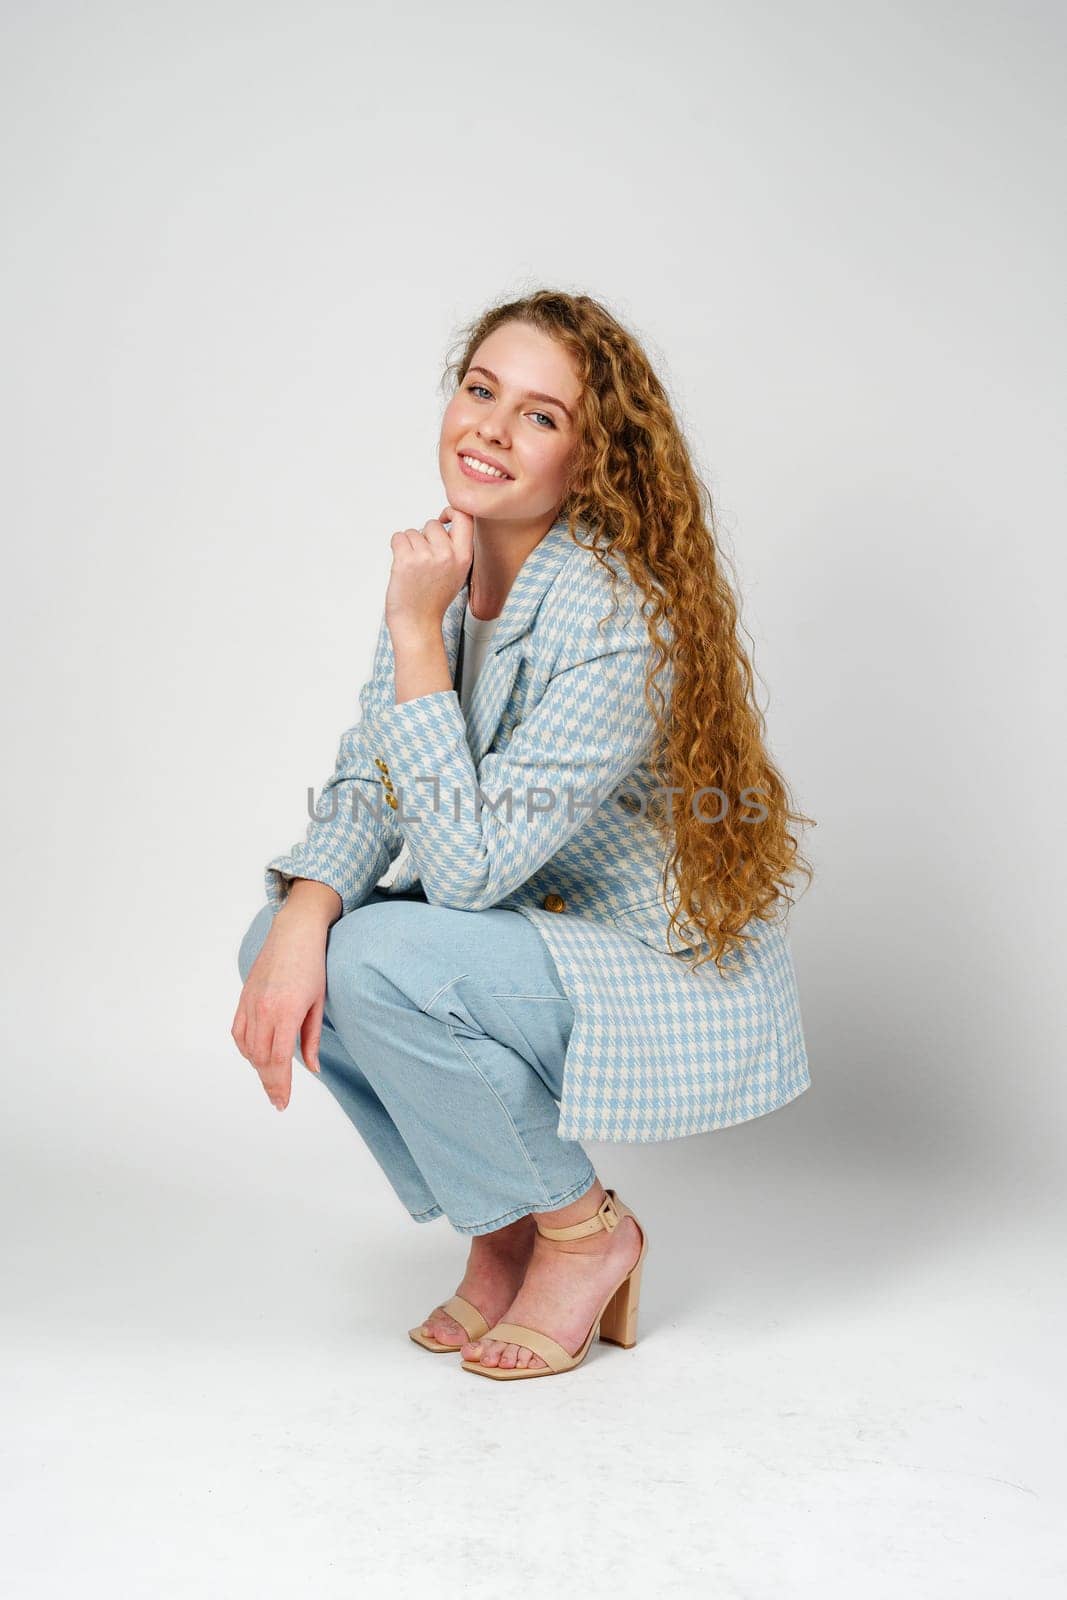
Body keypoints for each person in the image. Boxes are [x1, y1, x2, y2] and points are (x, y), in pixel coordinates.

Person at [232, 290, 815, 1381]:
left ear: (590, 459)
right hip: (523, 939)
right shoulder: (447, 573)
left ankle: (586, 1230)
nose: (492, 428)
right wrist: (303, 912)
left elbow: (463, 871)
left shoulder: (616, 616)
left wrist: (412, 632)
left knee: (380, 958)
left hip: (646, 967)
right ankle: (506, 1222)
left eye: (540, 416)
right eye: (480, 389)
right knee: (279, 943)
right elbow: (371, 776)